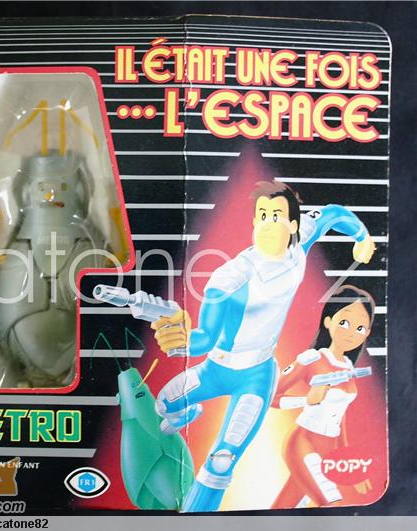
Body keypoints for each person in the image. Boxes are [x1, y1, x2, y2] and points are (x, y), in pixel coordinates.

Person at [150, 180, 376, 512]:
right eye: (263, 215)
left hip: (257, 376)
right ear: (255, 221)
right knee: (161, 406)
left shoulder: (301, 242)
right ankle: (185, 413)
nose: (269, 223)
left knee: (222, 460)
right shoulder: (231, 275)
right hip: (216, 369)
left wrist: (361, 236)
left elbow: (332, 214)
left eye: (277, 215)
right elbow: (205, 338)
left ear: (294, 225)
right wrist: (183, 341)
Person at [270, 285, 375, 509]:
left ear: (367, 333)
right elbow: (271, 397)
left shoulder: (348, 367)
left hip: (329, 448)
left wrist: (350, 462)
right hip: (304, 442)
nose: (351, 332)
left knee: (285, 506)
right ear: (328, 322)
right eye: (344, 323)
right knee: (331, 502)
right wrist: (306, 400)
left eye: (360, 327)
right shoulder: (312, 359)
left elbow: (340, 420)